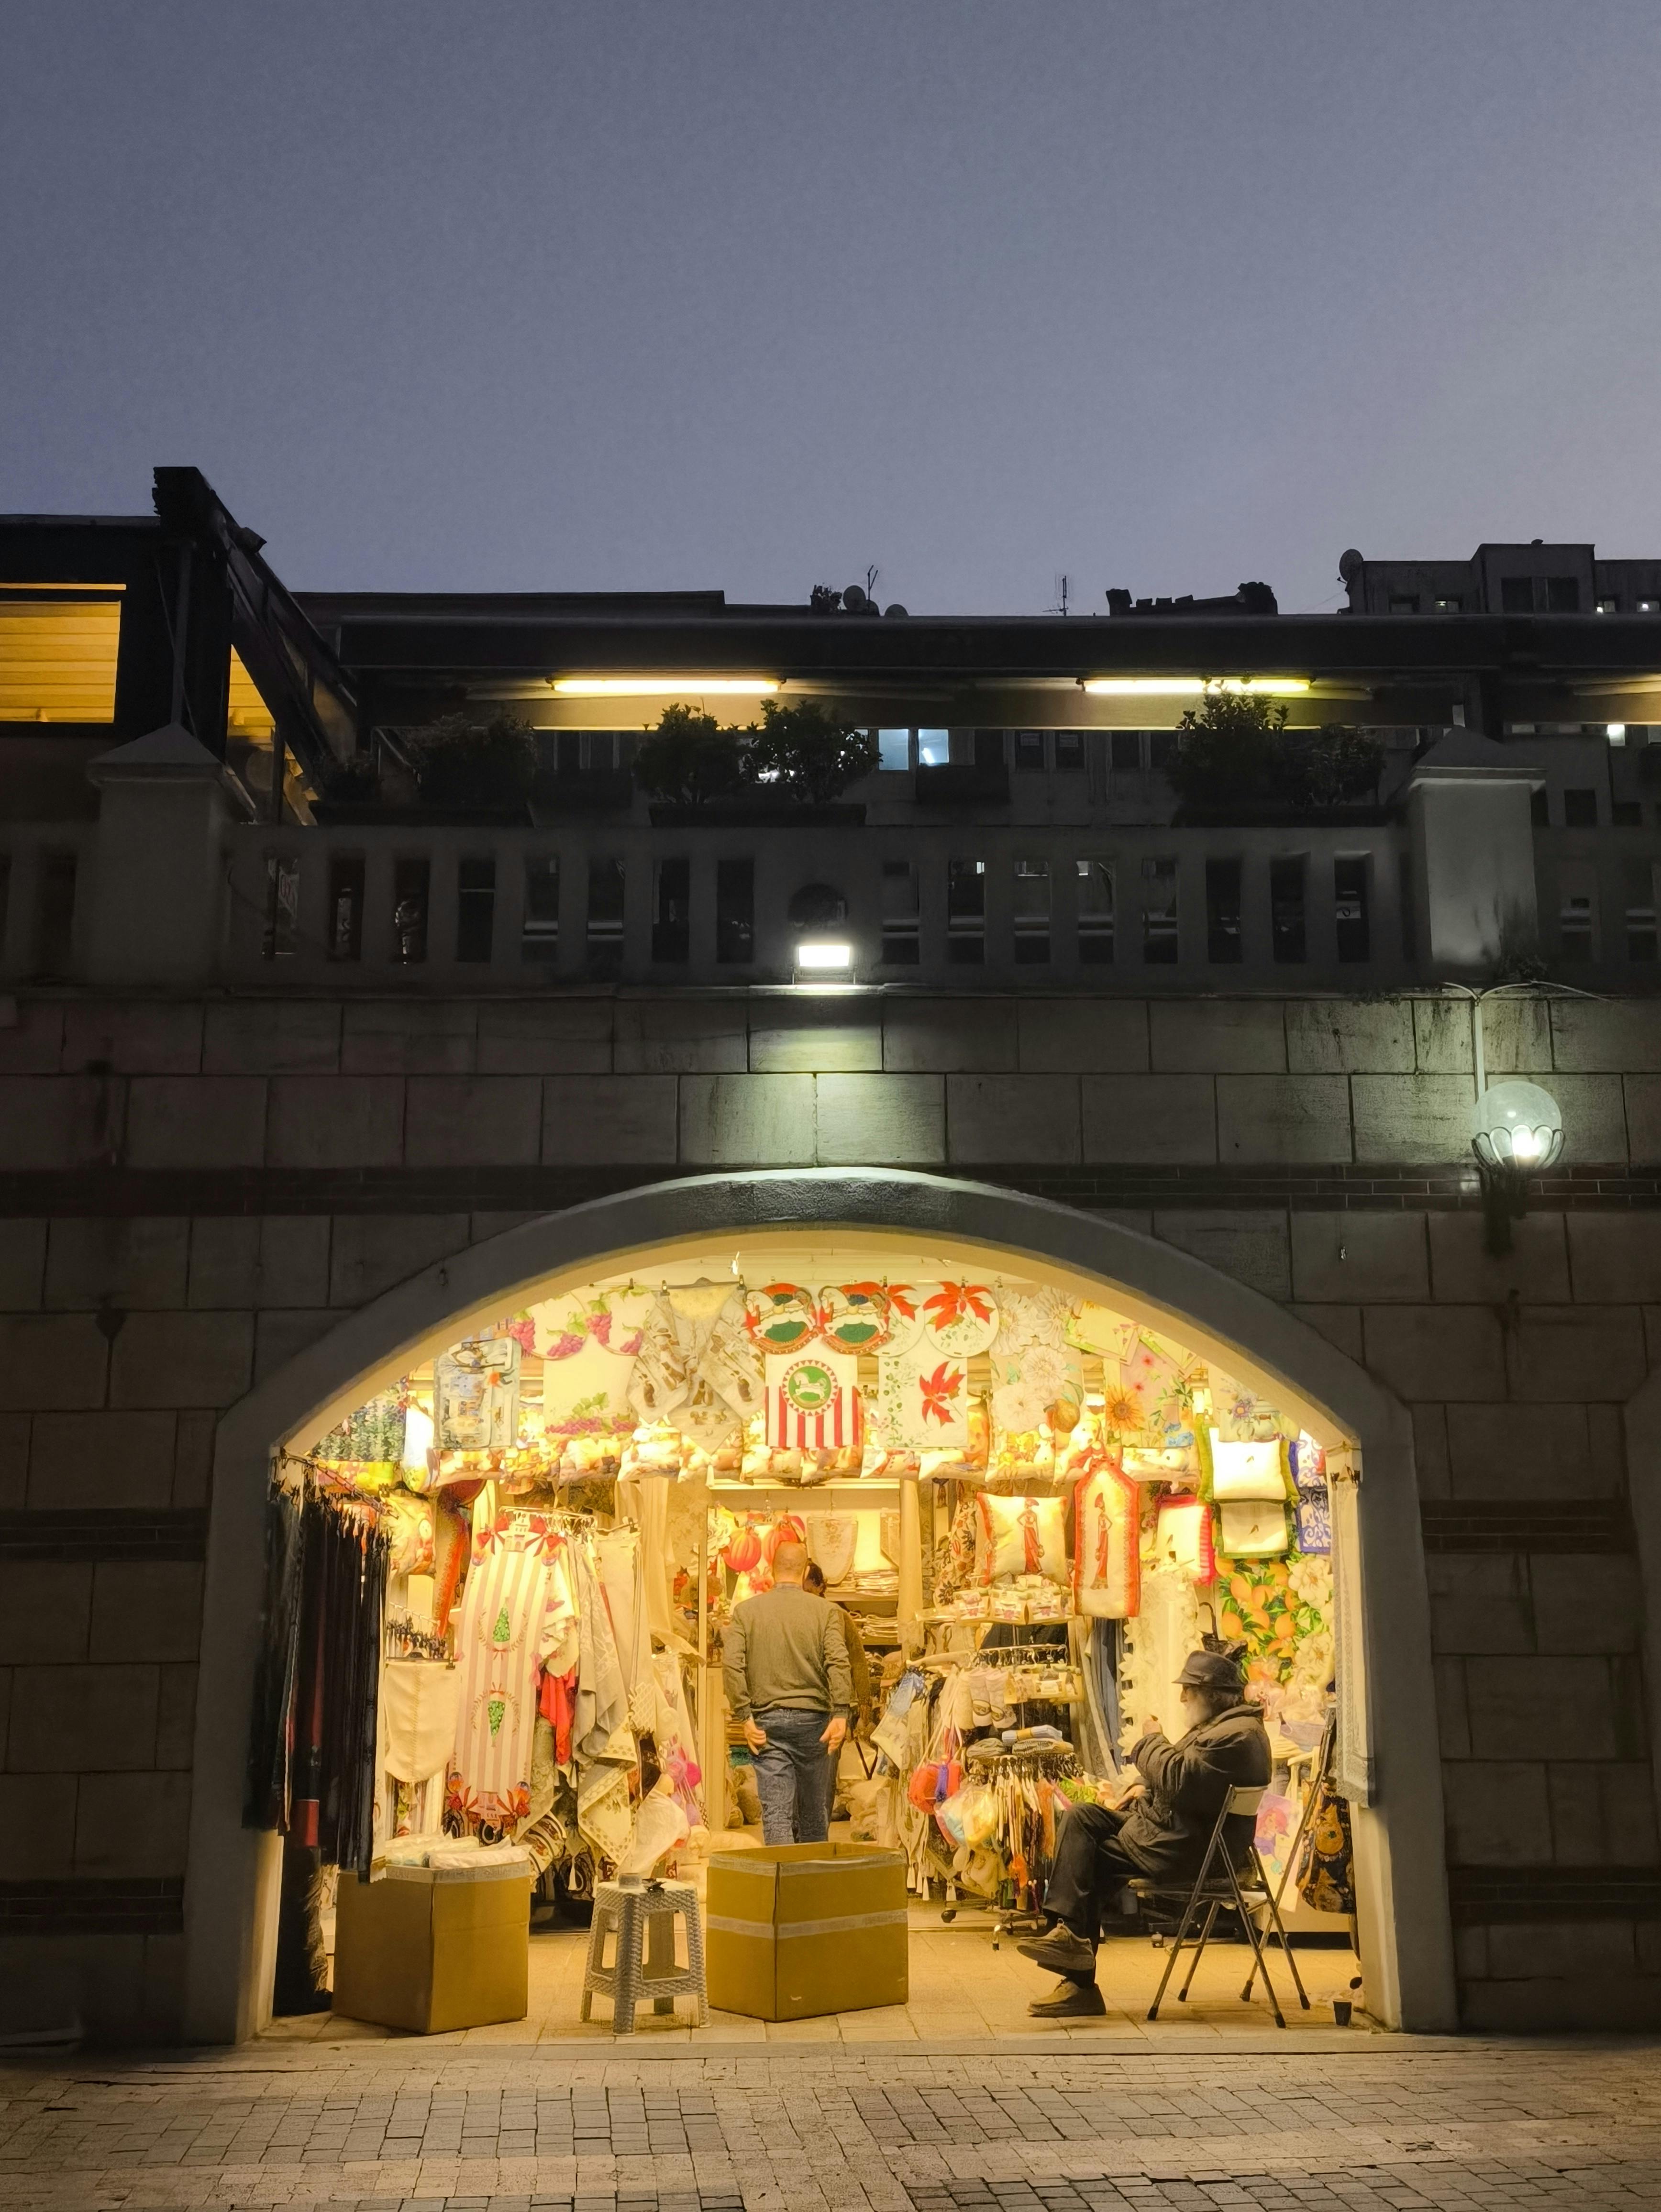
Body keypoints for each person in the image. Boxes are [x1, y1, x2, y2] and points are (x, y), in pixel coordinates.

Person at [1018, 1645, 1270, 2019]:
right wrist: (1145, 1787)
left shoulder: (1237, 1737)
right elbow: (1187, 1781)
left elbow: (1179, 1778)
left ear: (1214, 1695)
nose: (1183, 1697)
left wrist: (1151, 1738)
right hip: (1171, 1831)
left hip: (1186, 1850)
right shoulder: (1225, 1729)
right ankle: (1071, 1946)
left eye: (1190, 1690)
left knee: (1087, 1857)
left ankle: (1078, 1975)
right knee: (1081, 1817)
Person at [722, 1539, 852, 1845]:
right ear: (806, 1569)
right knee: (813, 1814)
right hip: (815, 1724)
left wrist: (744, 1715)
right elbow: (838, 1661)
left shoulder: (745, 1612)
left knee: (777, 1815)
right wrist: (841, 1713)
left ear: (770, 1569)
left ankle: (782, 1889)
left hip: (767, 1724)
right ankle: (811, 1886)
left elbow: (732, 1665)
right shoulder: (827, 1612)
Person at [803, 1560, 870, 1825]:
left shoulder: (837, 1616)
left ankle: (817, 1830)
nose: (802, 1588)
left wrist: (862, 1704)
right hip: (804, 1706)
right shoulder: (793, 1613)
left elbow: (856, 1658)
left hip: (831, 1707)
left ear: (820, 1586)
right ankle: (803, 1831)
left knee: (825, 1774)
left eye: (807, 1583)